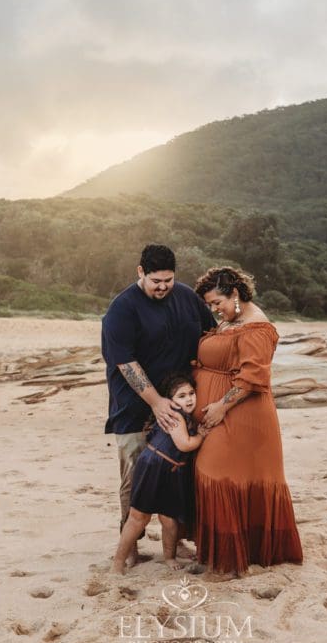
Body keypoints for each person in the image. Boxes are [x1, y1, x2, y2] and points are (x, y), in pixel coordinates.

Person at [102, 244, 216, 566]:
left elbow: (211, 335)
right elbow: (125, 363)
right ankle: (131, 546)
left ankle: (176, 540)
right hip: (134, 409)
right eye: (156, 281)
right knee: (135, 479)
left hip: (181, 405)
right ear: (140, 272)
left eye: (168, 279)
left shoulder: (185, 297)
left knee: (177, 476)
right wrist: (155, 402)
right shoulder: (122, 309)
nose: (163, 287)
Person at [191, 266, 303, 576]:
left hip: (243, 414)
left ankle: (234, 557)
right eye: (210, 306)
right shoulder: (233, 321)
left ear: (235, 293)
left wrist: (221, 407)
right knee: (218, 476)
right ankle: (224, 554)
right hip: (225, 410)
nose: (214, 310)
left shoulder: (257, 327)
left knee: (214, 472)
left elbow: (254, 376)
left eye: (217, 303)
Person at [112, 372, 207, 574]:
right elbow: (185, 444)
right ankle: (118, 562)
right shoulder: (175, 415)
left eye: (191, 393)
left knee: (169, 520)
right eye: (181, 396)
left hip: (171, 471)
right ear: (170, 401)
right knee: (138, 517)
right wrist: (200, 436)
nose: (189, 398)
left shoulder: (187, 416)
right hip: (154, 468)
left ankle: (169, 556)